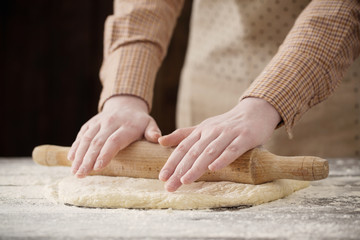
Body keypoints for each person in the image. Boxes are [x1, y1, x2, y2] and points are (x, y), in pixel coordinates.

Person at [67, 0, 360, 192]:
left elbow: (340, 9)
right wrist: (125, 94)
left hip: (322, 101)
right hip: (207, 90)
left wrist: (269, 100)